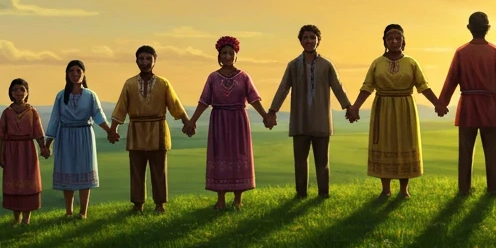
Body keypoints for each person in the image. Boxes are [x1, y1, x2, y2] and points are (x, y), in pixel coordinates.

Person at [436, 12, 496, 195]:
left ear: (469, 28)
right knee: (492, 152)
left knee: (465, 151)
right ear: (488, 29)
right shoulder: (495, 52)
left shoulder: (461, 52)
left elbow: (451, 79)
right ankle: (493, 189)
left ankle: (464, 189)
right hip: (490, 106)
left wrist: (442, 103)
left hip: (467, 106)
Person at [349, 24, 441, 199]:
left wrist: (437, 104)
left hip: (405, 107)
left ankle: (404, 189)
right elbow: (367, 86)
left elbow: (423, 86)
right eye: (390, 38)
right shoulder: (377, 63)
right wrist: (355, 107)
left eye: (397, 38)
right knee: (384, 143)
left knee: (405, 143)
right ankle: (385, 189)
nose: (394, 41)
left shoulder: (411, 63)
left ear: (403, 40)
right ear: (384, 41)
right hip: (382, 107)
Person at [266, 24, 356, 199]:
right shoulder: (293, 65)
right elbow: (283, 88)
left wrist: (348, 107)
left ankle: (324, 194)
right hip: (300, 120)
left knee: (322, 161)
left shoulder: (326, 65)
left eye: (312, 37)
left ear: (318, 41)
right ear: (300, 41)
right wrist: (272, 111)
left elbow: (338, 87)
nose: (309, 41)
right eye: (305, 38)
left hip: (321, 119)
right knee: (300, 162)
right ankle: (301, 194)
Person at [183, 36, 270, 210]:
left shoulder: (244, 77)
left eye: (231, 53)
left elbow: (253, 99)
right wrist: (192, 121)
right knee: (219, 156)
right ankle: (220, 199)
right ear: (219, 56)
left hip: (238, 120)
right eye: (224, 53)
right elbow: (204, 101)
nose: (228, 56)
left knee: (239, 155)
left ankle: (238, 200)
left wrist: (265, 116)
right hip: (219, 121)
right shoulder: (213, 78)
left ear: (236, 56)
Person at [108, 46, 189, 213]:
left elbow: (174, 104)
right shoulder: (129, 84)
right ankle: (138, 204)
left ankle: (160, 204)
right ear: (136, 60)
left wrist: (187, 122)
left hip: (158, 129)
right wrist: (113, 129)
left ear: (154, 60)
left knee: (159, 170)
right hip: (136, 130)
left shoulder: (163, 83)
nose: (145, 62)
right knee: (136, 170)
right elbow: (121, 107)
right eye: (141, 59)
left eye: (148, 59)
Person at [43, 60, 116, 218]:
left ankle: (83, 212)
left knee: (84, 171)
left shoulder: (90, 95)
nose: (75, 74)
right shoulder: (61, 96)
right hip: (65, 136)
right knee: (67, 170)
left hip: (84, 135)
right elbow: (55, 118)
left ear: (83, 74)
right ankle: (68, 212)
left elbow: (98, 115)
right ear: (67, 75)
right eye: (71, 72)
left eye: (78, 71)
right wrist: (47, 143)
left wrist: (110, 131)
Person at [0, 78, 48, 224]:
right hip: (11, 150)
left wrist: (43, 147)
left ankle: (26, 219)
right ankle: (16, 218)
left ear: (27, 92)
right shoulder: (7, 112)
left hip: (28, 150)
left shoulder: (32, 111)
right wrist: (2, 155)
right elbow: (2, 136)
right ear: (10, 93)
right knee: (13, 182)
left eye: (22, 90)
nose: (18, 93)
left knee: (29, 182)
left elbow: (38, 133)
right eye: (15, 90)